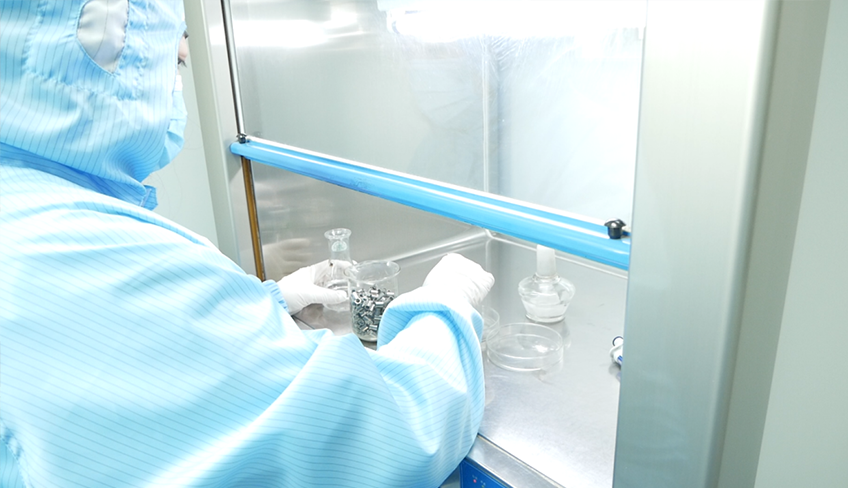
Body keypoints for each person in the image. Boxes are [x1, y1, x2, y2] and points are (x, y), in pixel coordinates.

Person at [0, 2, 495, 487]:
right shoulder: (89, 257)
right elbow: (391, 434)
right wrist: (444, 306)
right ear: (100, 50)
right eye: (175, 63)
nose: (177, 90)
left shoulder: (26, 209)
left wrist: (268, 303)